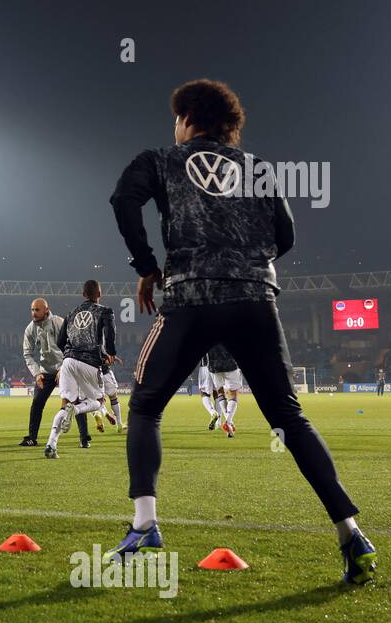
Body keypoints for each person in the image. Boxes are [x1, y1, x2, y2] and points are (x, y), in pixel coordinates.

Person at [106, 77, 373, 584]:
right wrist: (249, 263)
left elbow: (123, 200)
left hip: (191, 297)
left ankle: (145, 525)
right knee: (289, 417)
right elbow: (286, 235)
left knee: (144, 404)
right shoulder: (258, 169)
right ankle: (351, 532)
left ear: (186, 118)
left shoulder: (161, 158)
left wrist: (146, 265)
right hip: (255, 300)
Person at [43, 280, 118, 458]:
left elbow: (60, 341)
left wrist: (70, 354)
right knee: (99, 402)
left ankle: (51, 444)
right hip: (90, 362)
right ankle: (75, 410)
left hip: (68, 362)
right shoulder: (104, 311)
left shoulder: (71, 314)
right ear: (99, 293)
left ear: (83, 294)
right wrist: (111, 353)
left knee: (64, 405)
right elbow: (110, 333)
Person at [19, 297, 76, 446]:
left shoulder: (58, 322)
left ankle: (84, 439)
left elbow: (72, 347)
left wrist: (63, 368)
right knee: (37, 402)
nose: (34, 313)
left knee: (73, 402)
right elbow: (27, 354)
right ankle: (32, 438)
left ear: (46, 309)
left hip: (64, 368)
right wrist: (37, 373)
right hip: (45, 372)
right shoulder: (30, 329)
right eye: (32, 310)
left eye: (37, 310)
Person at [208, 344, 243, 436]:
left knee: (220, 392)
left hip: (214, 365)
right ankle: (228, 422)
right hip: (230, 363)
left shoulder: (206, 330)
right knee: (233, 393)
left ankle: (230, 424)